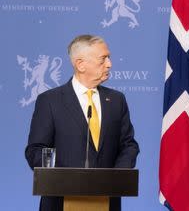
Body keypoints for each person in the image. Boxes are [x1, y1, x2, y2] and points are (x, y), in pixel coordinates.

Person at [25, 35, 140, 211]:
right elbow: (35, 150)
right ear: (80, 64)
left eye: (109, 58)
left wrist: (116, 177)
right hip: (61, 201)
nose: (109, 64)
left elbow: (128, 145)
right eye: (103, 59)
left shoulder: (116, 100)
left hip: (106, 201)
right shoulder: (50, 101)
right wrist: (66, 178)